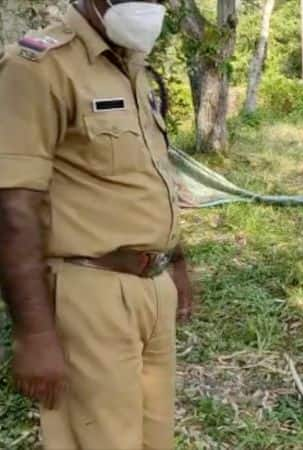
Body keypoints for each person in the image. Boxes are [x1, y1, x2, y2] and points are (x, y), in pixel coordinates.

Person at [0, 1, 194, 449]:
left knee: (155, 437)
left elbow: (147, 175)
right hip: (91, 292)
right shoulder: (38, 67)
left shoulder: (131, 66)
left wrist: (176, 260)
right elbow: (13, 210)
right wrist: (35, 333)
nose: (152, 7)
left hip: (152, 288)